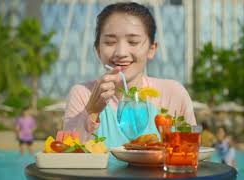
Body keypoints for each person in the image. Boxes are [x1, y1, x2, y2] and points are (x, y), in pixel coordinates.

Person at [64, 2, 196, 148]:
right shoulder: (82, 94)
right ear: (98, 50)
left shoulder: (173, 94)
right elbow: (67, 153)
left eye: (133, 42)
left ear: (152, 48)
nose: (121, 53)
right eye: (110, 42)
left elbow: (189, 153)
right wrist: (91, 111)